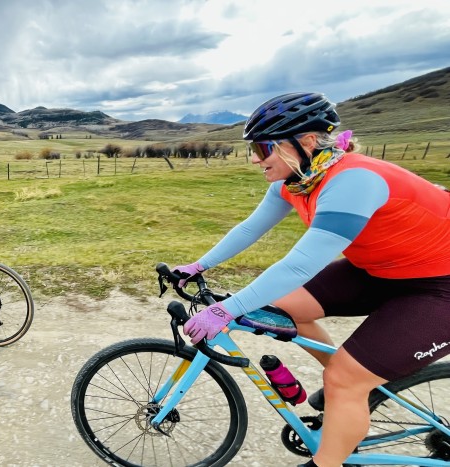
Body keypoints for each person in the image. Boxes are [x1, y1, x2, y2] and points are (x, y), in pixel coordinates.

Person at [173, 92, 450, 467]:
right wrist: (197, 265)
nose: (256, 158)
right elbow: (249, 229)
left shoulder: (354, 180)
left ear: (304, 142)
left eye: (263, 147)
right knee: (282, 307)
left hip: (440, 285)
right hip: (385, 270)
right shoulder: (298, 180)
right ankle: (357, 391)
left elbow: (300, 265)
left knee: (345, 379)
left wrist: (226, 310)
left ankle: (340, 421)